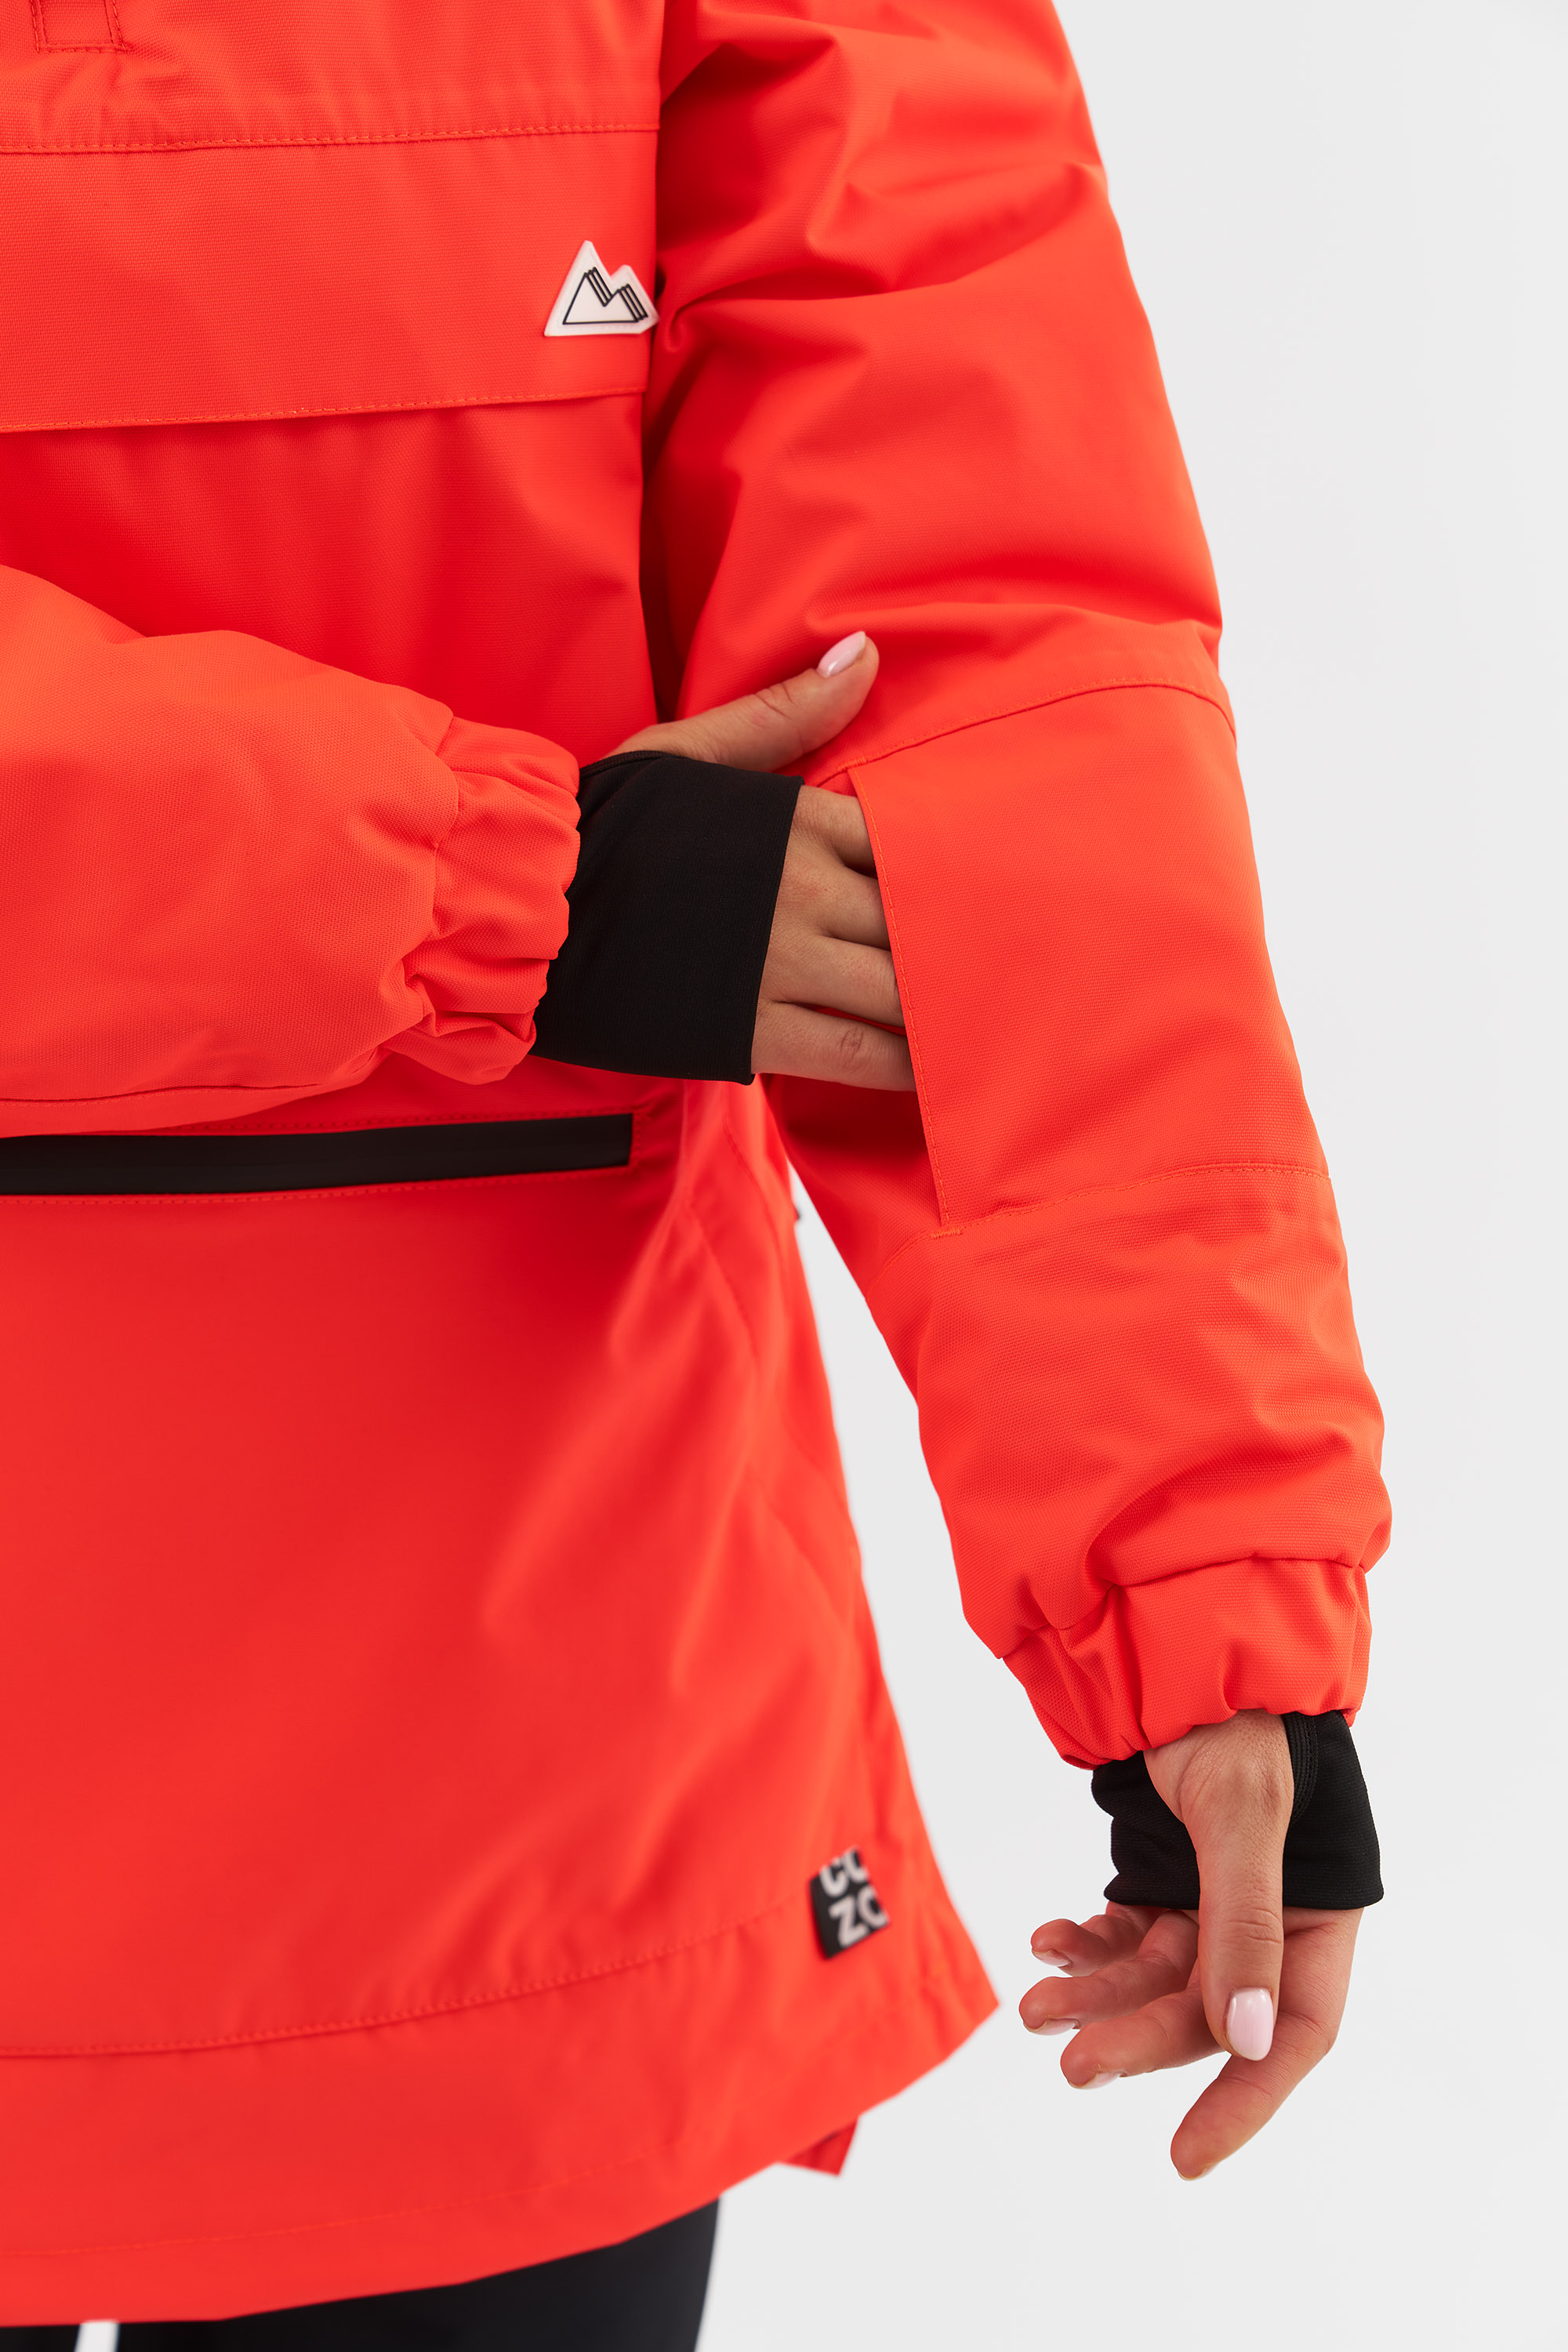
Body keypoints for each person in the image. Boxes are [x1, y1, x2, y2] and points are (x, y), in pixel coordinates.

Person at [0, 0, 1389, 2343]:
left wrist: (1198, 1582)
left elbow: (990, 696)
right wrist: (483, 889)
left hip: (510, 1775)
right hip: (534, 1762)